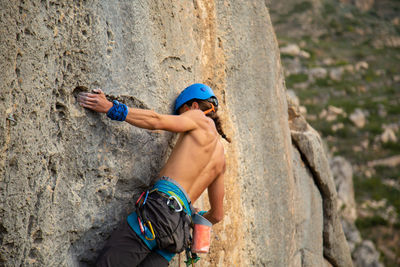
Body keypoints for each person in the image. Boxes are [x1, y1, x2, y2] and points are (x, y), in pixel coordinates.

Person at [77, 83, 230, 266]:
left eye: (182, 113)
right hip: (177, 233)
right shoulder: (221, 159)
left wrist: (111, 107)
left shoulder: (198, 117)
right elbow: (217, 215)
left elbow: (156, 120)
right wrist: (191, 212)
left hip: (158, 214)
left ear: (194, 106)